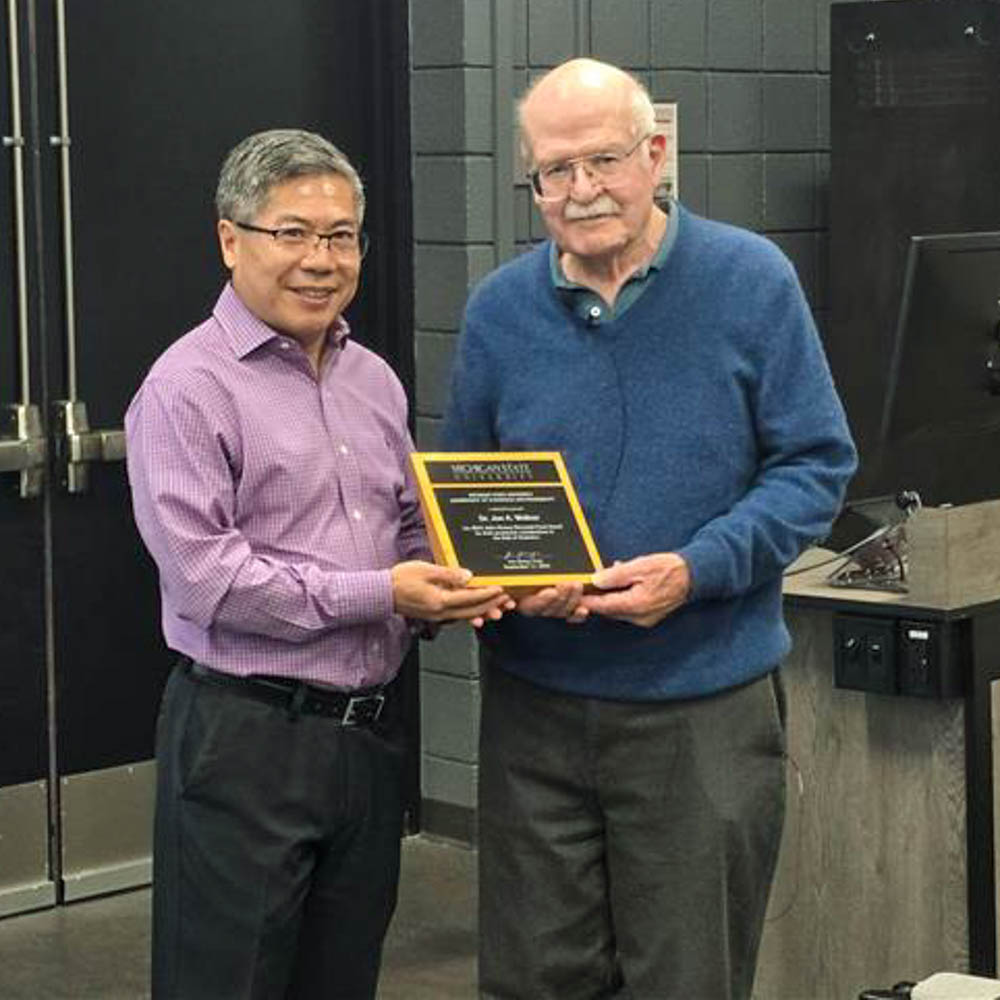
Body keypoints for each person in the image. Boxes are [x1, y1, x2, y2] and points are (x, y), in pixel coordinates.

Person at [442, 59, 858, 1000]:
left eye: (605, 160)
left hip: (699, 710)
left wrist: (698, 568)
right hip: (533, 714)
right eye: (555, 170)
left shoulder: (751, 281)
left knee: (687, 979)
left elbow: (816, 467)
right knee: (530, 981)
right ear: (533, 181)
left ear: (656, 154)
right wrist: (500, 581)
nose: (582, 190)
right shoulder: (499, 310)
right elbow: (469, 491)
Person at [125, 128, 510, 1000]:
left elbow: (408, 524)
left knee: (341, 981)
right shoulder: (188, 388)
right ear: (231, 240)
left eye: (341, 236)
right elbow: (206, 578)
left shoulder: (373, 378)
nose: (320, 260)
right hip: (245, 738)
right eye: (291, 233)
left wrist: (449, 586)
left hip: (365, 742)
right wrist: (386, 591)